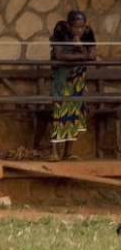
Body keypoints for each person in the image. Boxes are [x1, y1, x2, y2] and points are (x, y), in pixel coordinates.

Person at [49, 10, 97, 160]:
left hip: (77, 79)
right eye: (76, 27)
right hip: (62, 78)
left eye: (82, 27)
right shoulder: (60, 30)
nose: (79, 30)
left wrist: (80, 47)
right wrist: (82, 56)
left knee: (73, 111)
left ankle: (68, 152)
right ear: (69, 25)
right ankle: (54, 152)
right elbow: (59, 55)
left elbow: (93, 55)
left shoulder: (88, 34)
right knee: (59, 110)